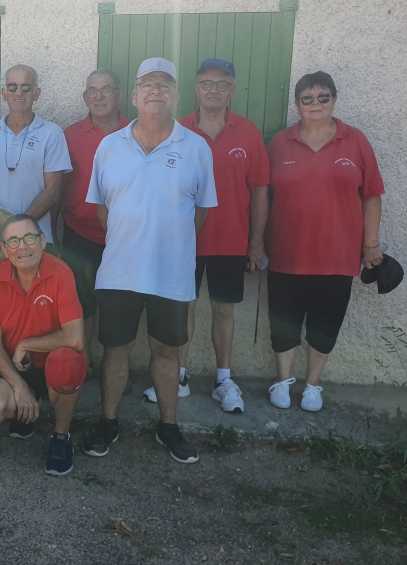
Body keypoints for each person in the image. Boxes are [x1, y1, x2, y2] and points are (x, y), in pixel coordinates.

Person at [83, 58, 217, 464]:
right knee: (116, 350)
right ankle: (109, 422)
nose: (156, 90)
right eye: (147, 84)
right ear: (135, 95)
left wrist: (167, 241)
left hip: (171, 273)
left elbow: (201, 211)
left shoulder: (196, 147)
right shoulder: (109, 146)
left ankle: (168, 427)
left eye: (164, 84)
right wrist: (132, 238)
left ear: (176, 96)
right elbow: (102, 208)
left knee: (166, 351)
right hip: (119, 270)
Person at [148, 59, 269, 413]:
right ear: (195, 89)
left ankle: (223, 380)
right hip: (183, 240)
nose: (213, 90)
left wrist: (256, 241)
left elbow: (260, 190)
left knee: (223, 310)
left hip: (231, 240)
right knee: (182, 306)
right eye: (206, 83)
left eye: (221, 84)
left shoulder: (248, 132)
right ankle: (180, 377)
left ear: (232, 90)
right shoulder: (176, 129)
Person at [265, 71, 384, 412]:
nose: (315, 104)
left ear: (334, 100)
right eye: (307, 98)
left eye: (323, 97)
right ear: (298, 104)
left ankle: (313, 386)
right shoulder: (280, 143)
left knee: (325, 323)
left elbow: (372, 195)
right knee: (283, 320)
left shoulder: (355, 141)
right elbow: (263, 195)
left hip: (338, 255)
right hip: (287, 253)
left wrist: (370, 244)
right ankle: (283, 380)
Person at [0, 64, 72, 395]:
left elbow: (54, 189)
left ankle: (37, 374)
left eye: (26, 87)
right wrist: (4, 225)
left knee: (37, 309)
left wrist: (21, 229)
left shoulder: (52, 133)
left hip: (36, 241)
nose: (19, 93)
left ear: (37, 93)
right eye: (12, 87)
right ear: (3, 93)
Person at [0, 214, 87, 476]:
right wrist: (20, 387)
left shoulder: (61, 272)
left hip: (54, 363)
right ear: (4, 249)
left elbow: (75, 338)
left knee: (66, 363)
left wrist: (28, 344)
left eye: (29, 238)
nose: (22, 247)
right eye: (13, 241)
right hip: (18, 367)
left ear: (42, 241)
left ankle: (61, 437)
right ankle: (24, 412)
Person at [60, 69, 130, 374]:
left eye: (106, 90)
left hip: (125, 238)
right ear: (84, 97)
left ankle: (117, 370)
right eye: (92, 91)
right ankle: (82, 362)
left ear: (120, 94)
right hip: (80, 234)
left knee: (120, 309)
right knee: (82, 304)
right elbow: (58, 186)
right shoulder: (69, 136)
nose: (99, 97)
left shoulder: (137, 132)